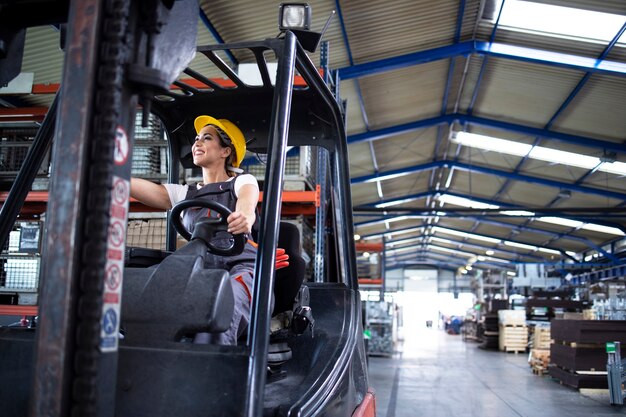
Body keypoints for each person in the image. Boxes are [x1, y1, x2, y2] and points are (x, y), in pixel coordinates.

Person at [130, 115, 259, 345]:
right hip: (198, 269)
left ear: (225, 151)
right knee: (141, 293)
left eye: (207, 138)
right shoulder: (186, 194)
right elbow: (151, 191)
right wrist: (113, 174)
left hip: (239, 268)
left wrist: (245, 215)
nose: (197, 142)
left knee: (222, 302)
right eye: (197, 138)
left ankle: (208, 371)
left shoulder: (240, 182)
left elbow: (248, 198)